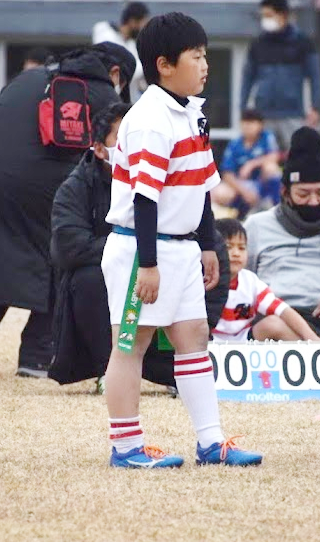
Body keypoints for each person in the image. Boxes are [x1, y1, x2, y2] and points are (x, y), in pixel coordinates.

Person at [101, 12, 262, 468]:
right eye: (197, 56)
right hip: (141, 248)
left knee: (194, 338)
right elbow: (145, 198)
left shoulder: (192, 111)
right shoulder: (151, 118)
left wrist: (208, 244)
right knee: (131, 344)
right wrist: (148, 264)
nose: (205, 64)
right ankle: (127, 448)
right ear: (164, 64)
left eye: (206, 55)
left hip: (181, 247)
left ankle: (211, 442)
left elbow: (201, 185)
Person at [0, 42, 135, 378]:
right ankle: (35, 357)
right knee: (62, 257)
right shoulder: (102, 92)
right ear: (115, 73)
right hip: (39, 183)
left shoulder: (31, 78)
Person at [49, 102, 231, 391]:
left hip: (173, 269)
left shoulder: (176, 168)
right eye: (124, 138)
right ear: (99, 149)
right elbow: (68, 247)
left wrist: (195, 249)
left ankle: (180, 381)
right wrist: (140, 255)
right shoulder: (76, 187)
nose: (136, 145)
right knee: (90, 283)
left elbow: (202, 214)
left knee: (199, 273)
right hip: (116, 278)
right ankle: (107, 374)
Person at [243, 127, 320, 376]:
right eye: (304, 194)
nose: (314, 202)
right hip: (284, 313)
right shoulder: (256, 225)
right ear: (285, 193)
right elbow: (242, 281)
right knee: (269, 326)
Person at [212, 219, 320, 343]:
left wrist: (311, 337)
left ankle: (315, 353)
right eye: (228, 247)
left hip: (243, 340)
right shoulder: (204, 279)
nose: (236, 253)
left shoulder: (250, 281)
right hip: (207, 341)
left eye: (241, 248)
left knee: (274, 323)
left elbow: (282, 309)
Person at [240, 0, 320, 147]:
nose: (265, 20)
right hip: (263, 114)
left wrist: (315, 107)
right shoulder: (258, 43)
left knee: (297, 156)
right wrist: (243, 108)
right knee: (264, 160)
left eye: (269, 15)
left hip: (293, 114)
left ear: (283, 15)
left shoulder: (303, 42)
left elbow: (315, 76)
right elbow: (247, 78)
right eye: (263, 16)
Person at [211, 109, 281, 218]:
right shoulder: (235, 144)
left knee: (271, 168)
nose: (248, 126)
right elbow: (227, 174)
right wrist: (245, 192)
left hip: (261, 183)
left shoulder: (266, 137)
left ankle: (276, 208)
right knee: (219, 192)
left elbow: (274, 156)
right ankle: (230, 216)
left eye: (252, 123)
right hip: (242, 185)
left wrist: (252, 164)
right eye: (245, 122)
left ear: (260, 125)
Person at [92, 2, 149, 102]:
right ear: (132, 22)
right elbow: (128, 70)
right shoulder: (105, 32)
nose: (142, 30)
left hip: (126, 105)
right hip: (105, 102)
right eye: (142, 24)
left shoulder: (132, 45)